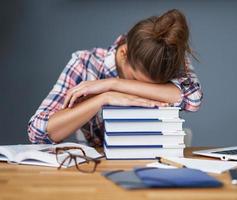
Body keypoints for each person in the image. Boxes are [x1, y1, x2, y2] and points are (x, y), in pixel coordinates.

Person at [27, 9, 203, 146]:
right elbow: (38, 132)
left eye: (152, 87)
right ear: (124, 53)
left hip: (158, 162)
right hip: (102, 166)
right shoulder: (86, 63)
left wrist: (115, 84)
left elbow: (193, 99)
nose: (136, 90)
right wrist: (104, 98)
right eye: (134, 79)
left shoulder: (166, 56)